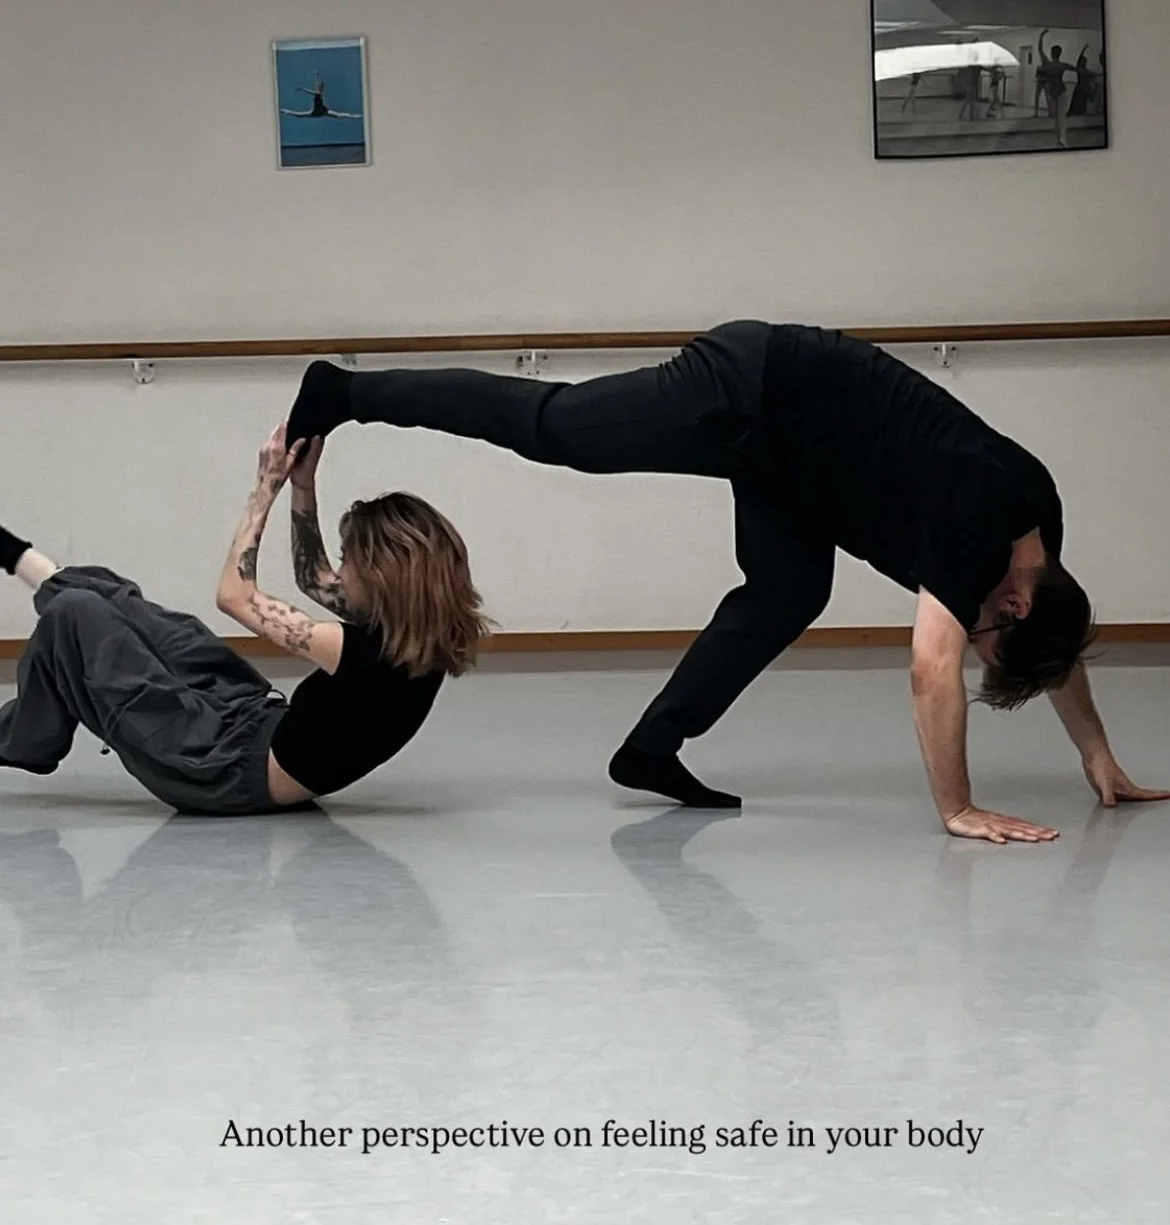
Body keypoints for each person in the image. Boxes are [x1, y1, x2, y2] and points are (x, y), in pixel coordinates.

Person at [285, 323, 1169, 844]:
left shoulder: (1037, 554)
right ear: (1011, 599)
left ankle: (650, 749)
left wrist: (1098, 757)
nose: (979, 636)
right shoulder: (988, 530)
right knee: (558, 429)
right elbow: (929, 667)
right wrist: (960, 807)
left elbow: (1053, 640)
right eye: (992, 637)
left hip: (805, 469)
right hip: (755, 388)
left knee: (787, 593)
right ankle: (348, 390)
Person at [0, 426, 486, 814]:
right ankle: (14, 555)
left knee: (77, 615)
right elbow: (311, 577)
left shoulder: (371, 656)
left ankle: (26, 738)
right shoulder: (413, 634)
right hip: (250, 722)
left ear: (383, 575)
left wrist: (266, 487)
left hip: (219, 771)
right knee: (114, 597)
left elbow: (234, 596)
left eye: (348, 560)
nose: (338, 572)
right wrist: (303, 484)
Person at [1034, 31, 1076, 146]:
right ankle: (1061, 138)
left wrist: (1041, 36)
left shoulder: (1048, 64)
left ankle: (1062, 139)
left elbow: (1040, 50)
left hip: (1056, 92)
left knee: (1058, 117)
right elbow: (1077, 69)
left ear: (1053, 54)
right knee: (1059, 117)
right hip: (1058, 91)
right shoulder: (1061, 65)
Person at [280, 72, 362, 121]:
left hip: (322, 111)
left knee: (339, 115)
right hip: (317, 112)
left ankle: (356, 116)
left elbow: (313, 91)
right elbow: (317, 84)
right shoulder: (318, 92)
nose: (319, 88)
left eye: (320, 87)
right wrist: (317, 76)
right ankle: (285, 111)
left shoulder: (318, 93)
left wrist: (302, 89)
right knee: (299, 115)